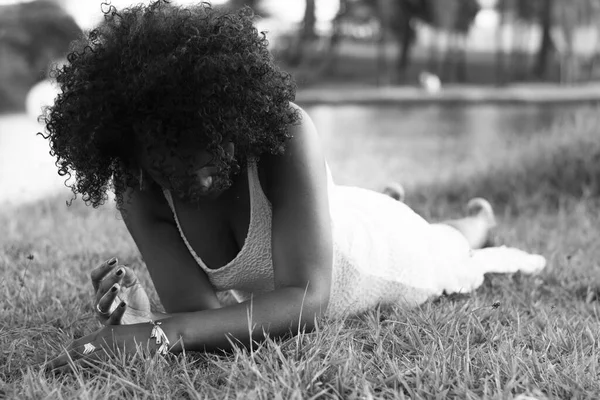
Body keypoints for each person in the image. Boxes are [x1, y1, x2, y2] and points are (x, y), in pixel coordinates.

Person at [41, 1, 545, 370]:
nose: (198, 171)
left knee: (445, 247)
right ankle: (379, 202)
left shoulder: (284, 132)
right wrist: (143, 323)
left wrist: (159, 335)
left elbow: (305, 301)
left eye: (207, 140)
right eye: (169, 154)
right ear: (130, 148)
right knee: (365, 210)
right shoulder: (138, 190)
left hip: (378, 258)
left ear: (229, 111)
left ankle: (478, 218)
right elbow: (204, 315)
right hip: (332, 221)